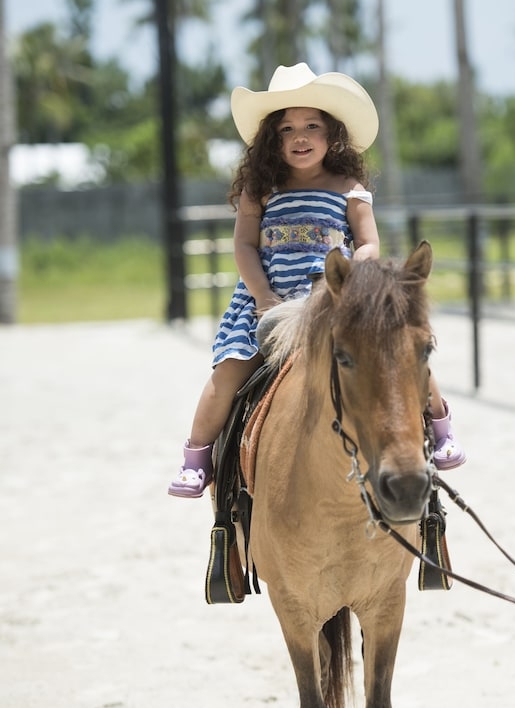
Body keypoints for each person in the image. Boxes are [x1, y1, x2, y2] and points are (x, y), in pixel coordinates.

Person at [168, 63, 465, 498]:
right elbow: (245, 247)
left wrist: (355, 278)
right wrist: (263, 297)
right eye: (287, 129)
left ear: (332, 135)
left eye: (312, 126)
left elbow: (367, 242)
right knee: (227, 375)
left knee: (398, 355)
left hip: (331, 299)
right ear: (274, 138)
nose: (300, 136)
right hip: (268, 301)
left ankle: (440, 428)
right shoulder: (261, 188)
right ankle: (197, 457)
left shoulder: (348, 185)